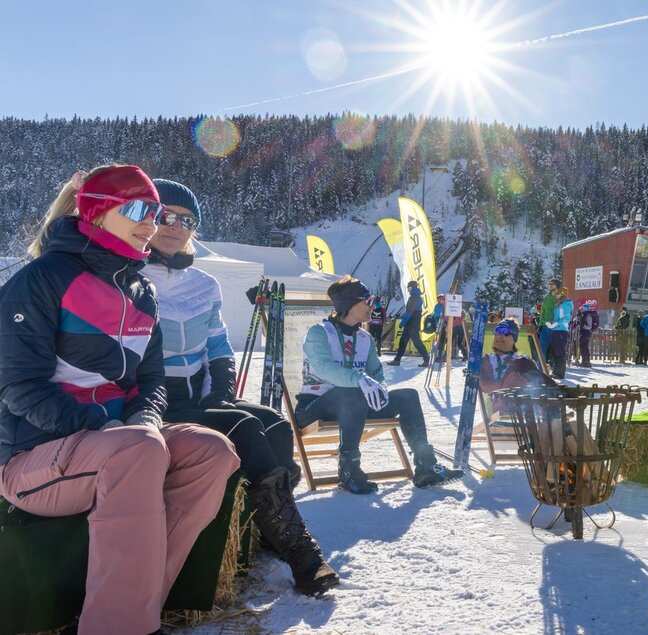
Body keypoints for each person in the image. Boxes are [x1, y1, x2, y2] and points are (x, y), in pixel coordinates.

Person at [0, 166, 240, 634]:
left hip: (117, 446)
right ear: (94, 211)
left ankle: (126, 610)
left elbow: (151, 381)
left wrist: (145, 421)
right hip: (32, 457)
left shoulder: (140, 290)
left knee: (213, 452)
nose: (150, 221)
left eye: (153, 210)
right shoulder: (42, 279)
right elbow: (17, 386)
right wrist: (106, 429)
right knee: (137, 450)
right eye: (134, 208)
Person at [143, 179, 338, 597]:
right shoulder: (131, 278)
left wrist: (221, 389)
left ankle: (262, 530)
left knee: (276, 424)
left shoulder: (204, 284)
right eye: (165, 215)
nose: (176, 226)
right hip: (152, 398)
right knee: (246, 427)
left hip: (197, 395)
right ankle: (302, 553)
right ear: (146, 217)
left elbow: (217, 346)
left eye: (187, 219)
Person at [296, 276, 462, 493]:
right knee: (352, 391)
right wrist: (360, 380)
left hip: (355, 408)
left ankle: (426, 465)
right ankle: (349, 471)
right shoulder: (319, 333)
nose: (374, 306)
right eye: (369, 301)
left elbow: (376, 373)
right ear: (349, 303)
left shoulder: (365, 338)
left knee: (407, 396)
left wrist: (380, 388)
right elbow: (324, 367)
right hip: (315, 405)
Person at [478, 319, 559, 413]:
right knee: (520, 363)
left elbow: (536, 383)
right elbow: (486, 386)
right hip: (502, 405)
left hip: (527, 405)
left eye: (505, 332)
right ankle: (558, 392)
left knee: (524, 363)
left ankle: (555, 406)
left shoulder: (525, 360)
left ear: (514, 338)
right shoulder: (486, 360)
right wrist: (514, 383)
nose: (499, 335)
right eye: (497, 331)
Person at [389, 279, 428, 366]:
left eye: (408, 287)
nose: (407, 288)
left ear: (412, 287)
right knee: (404, 341)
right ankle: (397, 360)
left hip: (411, 324)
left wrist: (402, 323)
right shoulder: (416, 297)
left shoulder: (413, 298)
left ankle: (426, 359)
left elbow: (409, 312)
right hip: (412, 324)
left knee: (416, 342)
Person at [546, 287, 573, 379]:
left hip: (561, 330)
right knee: (554, 352)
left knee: (560, 352)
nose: (556, 295)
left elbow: (567, 318)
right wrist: (551, 323)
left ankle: (560, 373)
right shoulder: (558, 304)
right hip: (555, 330)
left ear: (562, 294)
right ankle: (555, 371)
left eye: (558, 294)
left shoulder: (566, 304)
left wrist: (556, 323)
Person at [538, 279, 559, 372]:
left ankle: (555, 368)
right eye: (549, 284)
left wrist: (556, 323)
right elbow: (543, 312)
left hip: (555, 326)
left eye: (552, 284)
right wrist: (540, 325)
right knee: (541, 348)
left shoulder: (559, 296)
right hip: (545, 326)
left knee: (555, 348)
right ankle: (540, 367)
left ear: (557, 285)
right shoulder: (546, 297)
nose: (550, 285)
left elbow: (561, 312)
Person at [576, 300, 599, 368]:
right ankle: (585, 361)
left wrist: (582, 326)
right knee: (583, 347)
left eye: (582, 309)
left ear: (585, 309)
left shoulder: (588, 316)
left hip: (586, 333)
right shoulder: (583, 315)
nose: (581, 310)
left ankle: (586, 362)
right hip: (583, 333)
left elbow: (589, 326)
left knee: (584, 347)